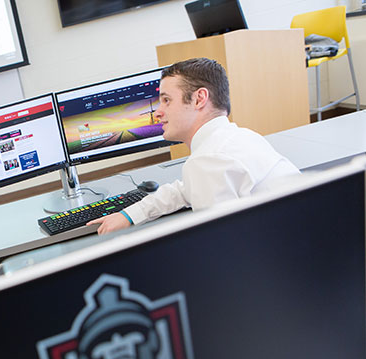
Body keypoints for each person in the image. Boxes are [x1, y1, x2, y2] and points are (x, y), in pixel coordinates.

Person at [88, 58, 301, 234]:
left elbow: (220, 248)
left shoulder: (208, 160)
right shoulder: (239, 138)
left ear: (199, 99)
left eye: (166, 100)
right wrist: (129, 214)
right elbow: (184, 190)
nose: (158, 112)